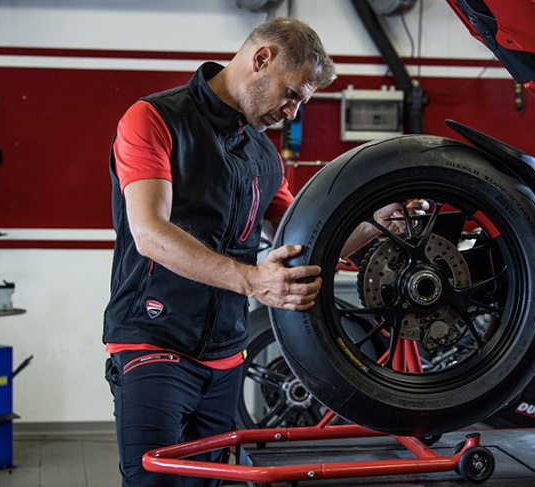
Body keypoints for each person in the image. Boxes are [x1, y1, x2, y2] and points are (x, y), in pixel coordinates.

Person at [103, 16, 416, 487]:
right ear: (261, 59)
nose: (292, 112)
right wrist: (252, 280)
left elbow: (302, 244)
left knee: (213, 483)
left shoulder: (264, 155)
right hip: (154, 343)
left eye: (301, 103)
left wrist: (378, 222)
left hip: (227, 355)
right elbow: (150, 231)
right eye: (291, 94)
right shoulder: (155, 119)